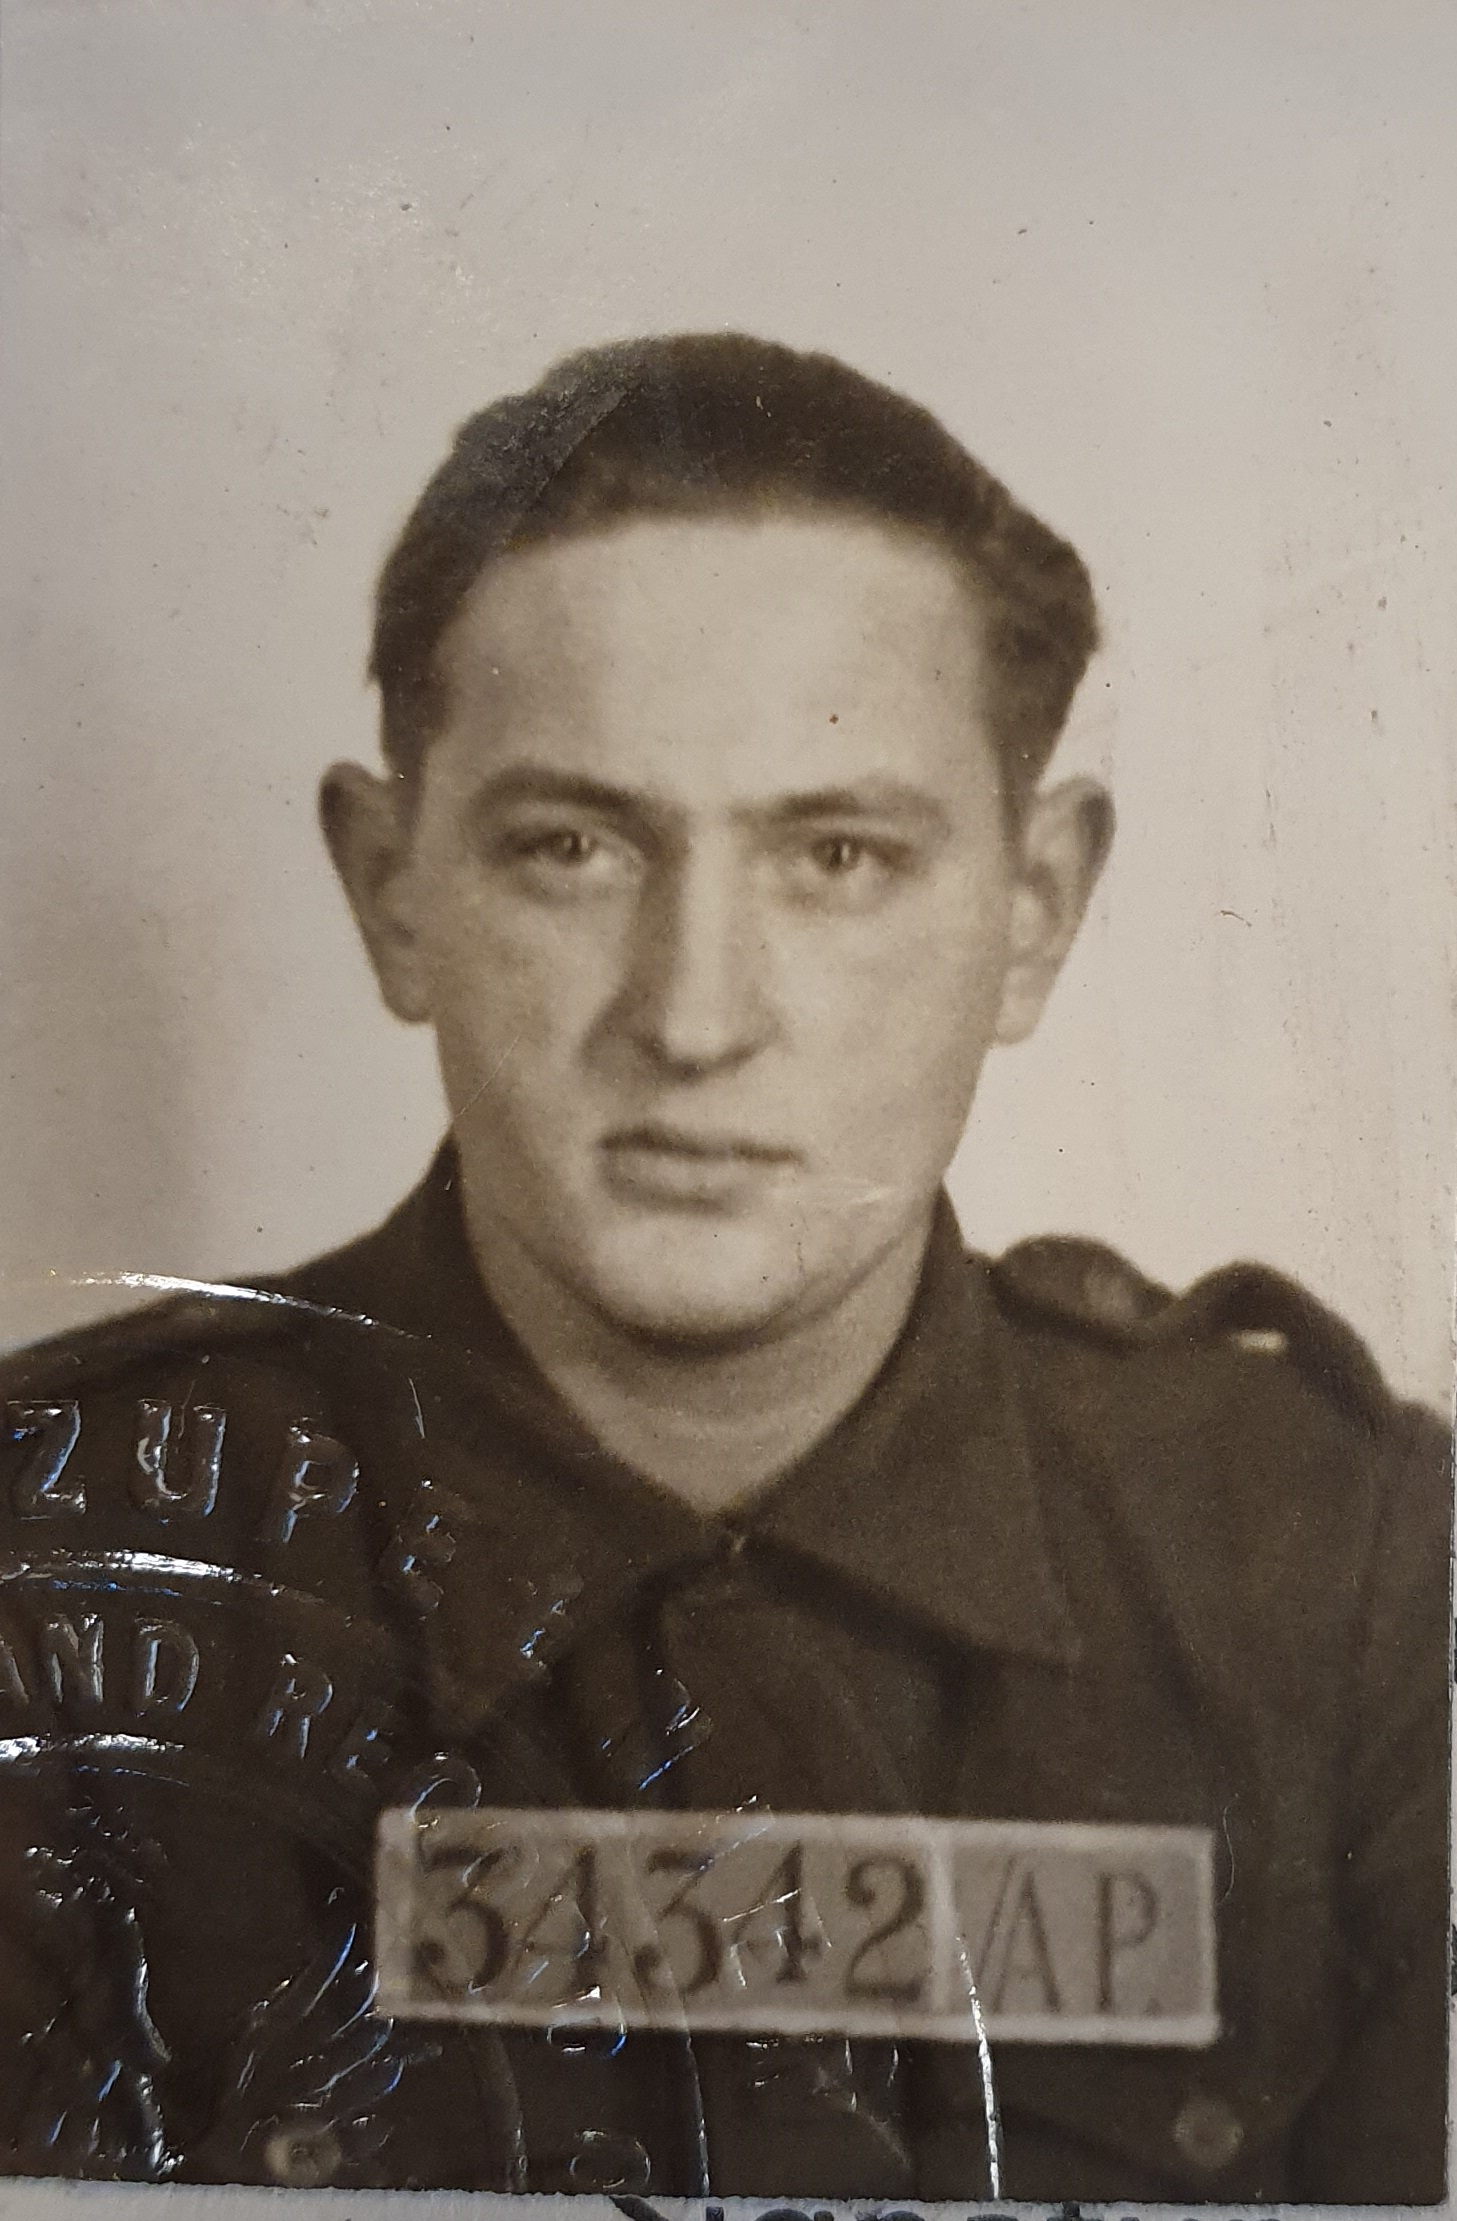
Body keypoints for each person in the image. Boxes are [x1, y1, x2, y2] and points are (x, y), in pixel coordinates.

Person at [0, 334, 1447, 2202]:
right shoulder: (52, 1572)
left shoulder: (1354, 1580)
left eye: (835, 855)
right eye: (573, 845)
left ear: (1032, 912)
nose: (692, 1018)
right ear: (391, 887)